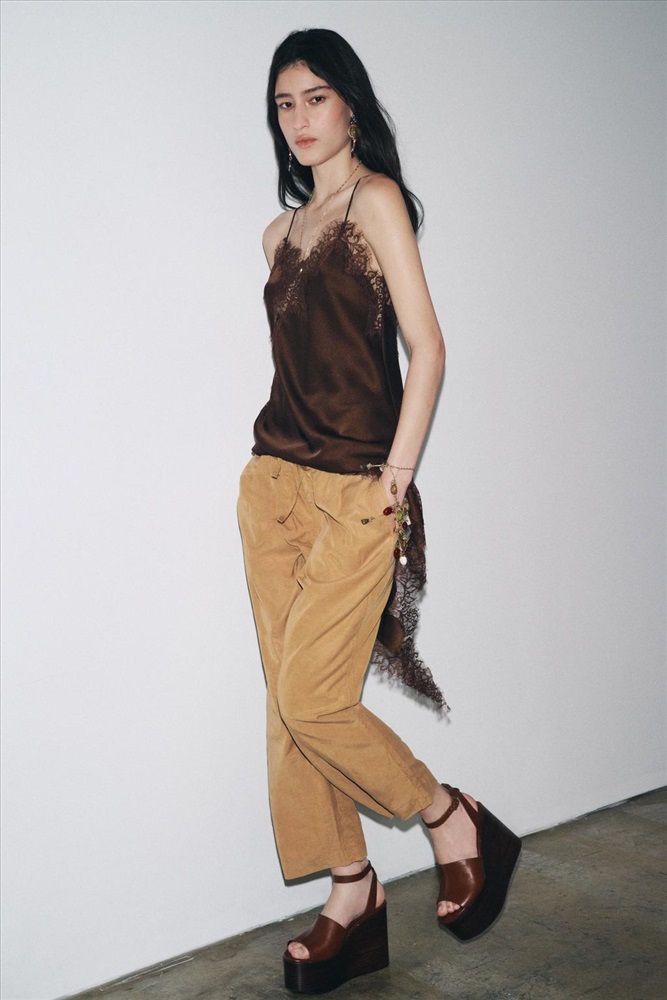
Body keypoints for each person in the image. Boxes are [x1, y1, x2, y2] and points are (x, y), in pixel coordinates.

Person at [237, 28, 521, 995]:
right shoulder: (276, 236)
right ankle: (351, 890)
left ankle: (446, 815)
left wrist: (396, 474)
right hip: (272, 488)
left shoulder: (375, 201)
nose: (299, 118)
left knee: (313, 698)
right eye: (284, 104)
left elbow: (425, 348)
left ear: (350, 104)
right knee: (288, 707)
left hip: (358, 488)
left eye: (315, 97)